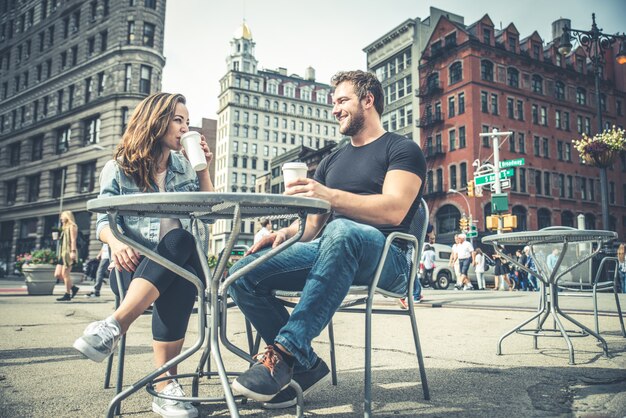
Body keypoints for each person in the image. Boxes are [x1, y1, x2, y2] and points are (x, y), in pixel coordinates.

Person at [228, 70, 426, 408]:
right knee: (244, 272)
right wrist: (284, 234)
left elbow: (394, 211)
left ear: (368, 100)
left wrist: (330, 197)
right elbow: (312, 228)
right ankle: (304, 366)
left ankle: (285, 351)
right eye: (333, 103)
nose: (334, 109)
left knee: (343, 230)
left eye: (342, 100)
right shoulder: (333, 159)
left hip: (390, 256)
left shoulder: (403, 148)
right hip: (330, 249)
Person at [73, 92, 214, 418]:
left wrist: (203, 168)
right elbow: (103, 222)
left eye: (187, 122)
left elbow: (206, 215)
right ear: (157, 121)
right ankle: (166, 387)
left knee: (180, 242)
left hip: (180, 260)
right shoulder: (118, 168)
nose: (184, 128)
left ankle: (113, 327)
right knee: (177, 274)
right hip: (131, 262)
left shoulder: (183, 167)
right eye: (178, 120)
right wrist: (117, 244)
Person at [55, 211, 79, 301]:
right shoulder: (64, 228)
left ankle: (67, 294)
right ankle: (73, 288)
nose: (61, 218)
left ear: (67, 216)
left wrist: (73, 251)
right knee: (57, 274)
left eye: (62, 216)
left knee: (65, 274)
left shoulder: (72, 226)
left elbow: (73, 240)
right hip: (62, 253)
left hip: (68, 253)